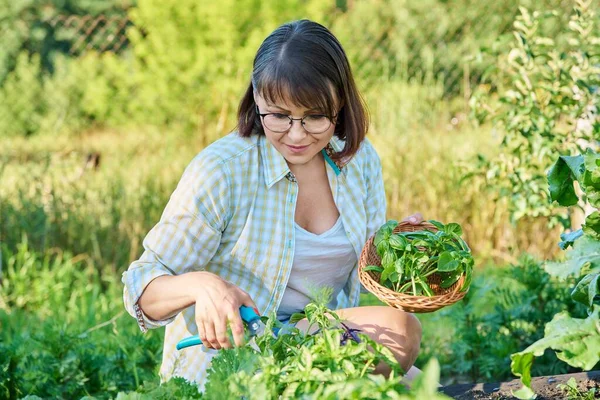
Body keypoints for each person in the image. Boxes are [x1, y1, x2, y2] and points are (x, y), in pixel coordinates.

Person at [122, 19, 423, 391]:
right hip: (234, 362)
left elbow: (368, 268)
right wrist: (202, 286)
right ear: (257, 98)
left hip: (314, 340)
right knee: (399, 332)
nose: (296, 135)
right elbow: (141, 288)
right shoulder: (222, 171)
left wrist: (403, 251)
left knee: (424, 386)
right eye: (278, 115)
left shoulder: (358, 161)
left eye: (315, 116)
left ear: (340, 104)